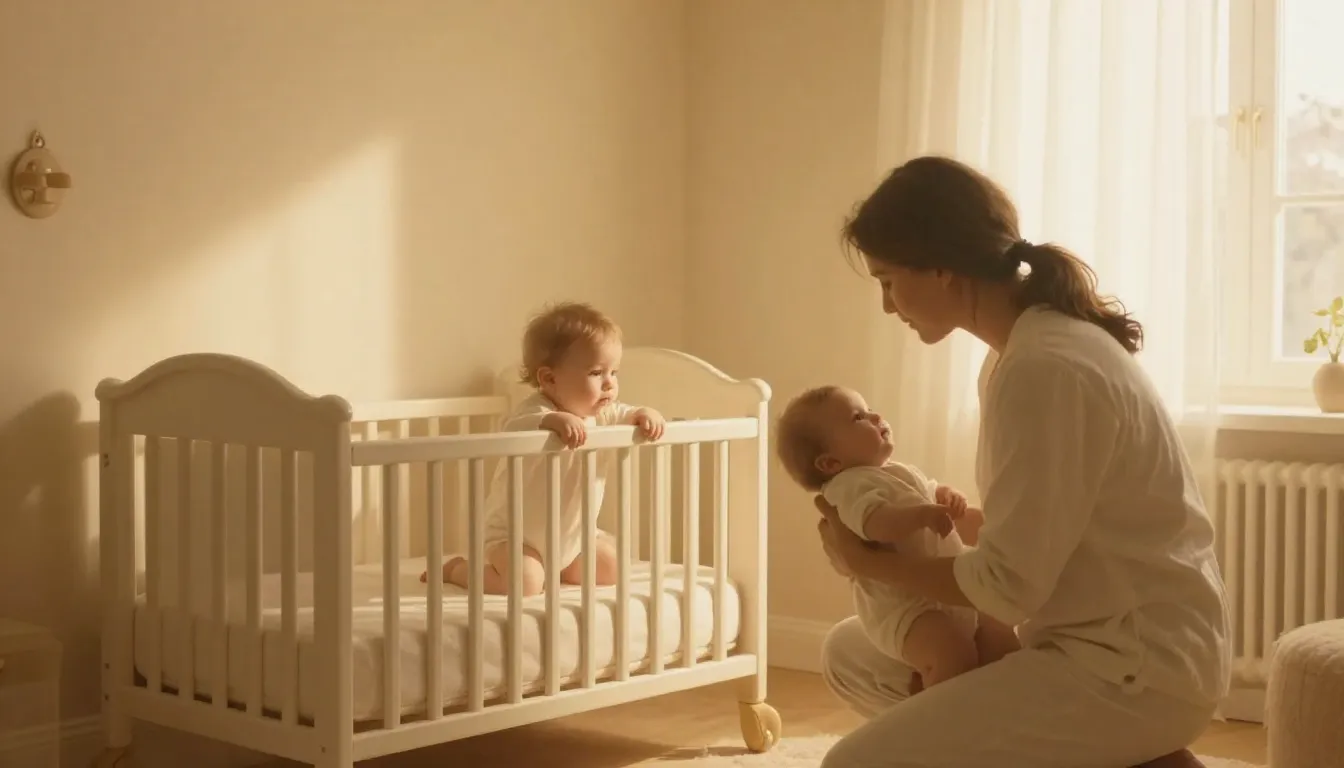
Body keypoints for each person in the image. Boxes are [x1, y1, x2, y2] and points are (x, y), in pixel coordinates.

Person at [814, 156, 1231, 768]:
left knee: (851, 765)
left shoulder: (1042, 368)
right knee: (853, 653)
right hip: (1101, 641)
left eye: (887, 281)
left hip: (1133, 669)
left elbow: (1006, 589)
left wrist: (866, 564)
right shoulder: (1018, 352)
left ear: (940, 267)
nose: (886, 305)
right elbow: (1037, 540)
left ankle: (1119, 744)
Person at [775, 384, 1020, 689]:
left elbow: (929, 492)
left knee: (1000, 639)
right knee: (951, 654)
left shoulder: (897, 471)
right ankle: (933, 710)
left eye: (869, 409)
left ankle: (999, 696)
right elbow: (876, 523)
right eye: (858, 417)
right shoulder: (849, 487)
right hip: (906, 608)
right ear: (830, 463)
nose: (875, 416)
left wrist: (946, 496)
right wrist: (922, 515)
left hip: (944, 592)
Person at [421, 301, 665, 594]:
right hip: (516, 538)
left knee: (613, 566)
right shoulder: (536, 410)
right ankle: (457, 570)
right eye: (596, 373)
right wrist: (552, 420)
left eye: (614, 372)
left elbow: (629, 413)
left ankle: (558, 566)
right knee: (525, 583)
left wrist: (646, 414)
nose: (609, 384)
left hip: (573, 539)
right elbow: (513, 427)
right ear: (549, 378)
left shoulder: (602, 414)